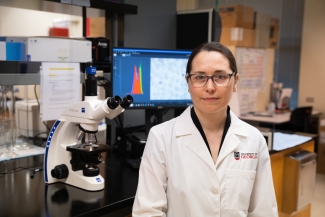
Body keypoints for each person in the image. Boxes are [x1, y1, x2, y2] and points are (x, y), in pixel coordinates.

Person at [132, 42, 278, 217]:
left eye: (220, 77)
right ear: (188, 82)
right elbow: (147, 212)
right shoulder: (161, 137)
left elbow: (263, 211)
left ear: (235, 81)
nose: (210, 87)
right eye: (200, 77)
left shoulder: (253, 139)